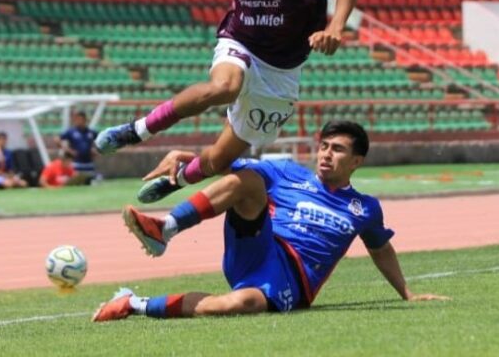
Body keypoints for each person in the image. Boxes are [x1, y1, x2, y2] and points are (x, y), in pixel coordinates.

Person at [95, 0, 361, 204]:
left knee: (219, 160)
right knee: (225, 87)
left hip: (282, 67)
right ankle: (137, 130)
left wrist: (335, 27)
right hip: (241, 39)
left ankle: (180, 176)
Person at [93, 121, 448, 322]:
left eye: (337, 149)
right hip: (261, 246)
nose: (326, 154)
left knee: (240, 306)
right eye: (324, 146)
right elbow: (224, 164)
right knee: (247, 182)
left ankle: (132, 303)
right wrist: (185, 157)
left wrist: (407, 294)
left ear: (357, 161)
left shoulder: (364, 208)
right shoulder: (285, 173)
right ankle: (165, 229)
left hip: (290, 282)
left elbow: (381, 249)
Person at [60, 111, 100, 182]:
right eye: (77, 119)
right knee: (76, 182)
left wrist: (96, 150)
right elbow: (57, 139)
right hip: (76, 163)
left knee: (90, 181)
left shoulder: (91, 132)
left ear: (85, 120)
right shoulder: (71, 132)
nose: (78, 121)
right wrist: (68, 150)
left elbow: (100, 141)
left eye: (80, 119)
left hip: (89, 162)